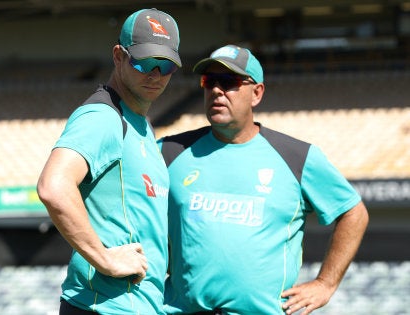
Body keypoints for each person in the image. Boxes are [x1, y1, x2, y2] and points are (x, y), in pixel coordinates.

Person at [159, 44, 369, 315]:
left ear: (256, 93)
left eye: (229, 82)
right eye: (209, 81)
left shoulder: (297, 157)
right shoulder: (168, 151)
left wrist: (325, 283)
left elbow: (354, 212)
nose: (216, 91)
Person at [37, 8, 181, 314]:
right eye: (144, 62)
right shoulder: (103, 117)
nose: (155, 75)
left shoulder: (139, 123)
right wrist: (104, 258)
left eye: (166, 65)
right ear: (118, 56)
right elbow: (53, 186)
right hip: (105, 306)